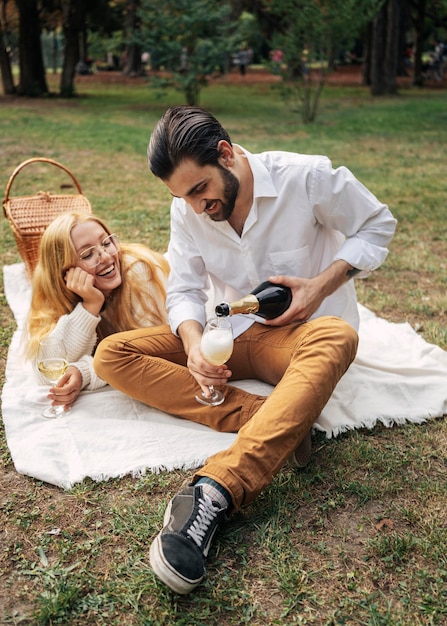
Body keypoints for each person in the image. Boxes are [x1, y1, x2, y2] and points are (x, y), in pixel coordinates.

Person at [93, 106, 397, 594]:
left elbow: (378, 225)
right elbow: (185, 290)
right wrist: (192, 345)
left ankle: (217, 488)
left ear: (227, 155)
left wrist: (319, 286)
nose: (195, 207)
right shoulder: (187, 210)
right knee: (111, 355)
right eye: (181, 196)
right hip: (224, 334)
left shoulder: (308, 177)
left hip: (298, 335)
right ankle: (281, 420)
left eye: (200, 190)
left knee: (339, 336)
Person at [25, 211, 169, 411]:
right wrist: (89, 306)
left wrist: (85, 371)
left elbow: (157, 354)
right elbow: (46, 370)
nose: (106, 256)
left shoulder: (139, 271)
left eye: (106, 243)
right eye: (87, 254)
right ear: (65, 271)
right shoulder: (55, 291)